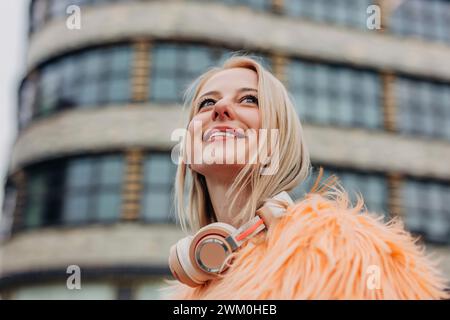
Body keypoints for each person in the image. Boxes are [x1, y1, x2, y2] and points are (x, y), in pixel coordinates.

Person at [161, 55, 449, 299]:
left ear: (279, 139)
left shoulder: (344, 253)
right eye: (206, 103)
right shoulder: (195, 289)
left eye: (249, 99)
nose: (221, 109)